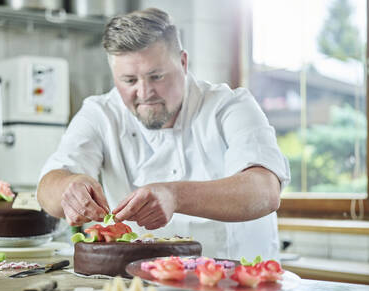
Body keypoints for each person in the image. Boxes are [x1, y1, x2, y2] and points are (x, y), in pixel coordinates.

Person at [37, 7, 290, 261]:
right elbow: (48, 189)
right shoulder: (100, 113)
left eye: (156, 76)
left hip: (240, 285)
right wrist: (70, 189)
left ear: (183, 62)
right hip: (141, 286)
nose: (145, 92)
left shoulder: (230, 105)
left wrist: (174, 195)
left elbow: (265, 191)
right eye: (129, 81)